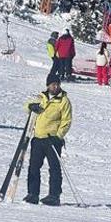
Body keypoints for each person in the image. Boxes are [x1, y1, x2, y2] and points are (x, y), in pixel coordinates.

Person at [23, 73, 73, 206]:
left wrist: (59, 136)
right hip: (38, 138)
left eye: (57, 84)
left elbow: (66, 121)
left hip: (52, 140)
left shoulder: (63, 101)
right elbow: (27, 105)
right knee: (34, 167)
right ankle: (33, 193)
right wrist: (30, 107)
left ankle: (54, 195)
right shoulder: (41, 97)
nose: (55, 86)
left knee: (54, 168)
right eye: (53, 84)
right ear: (48, 85)